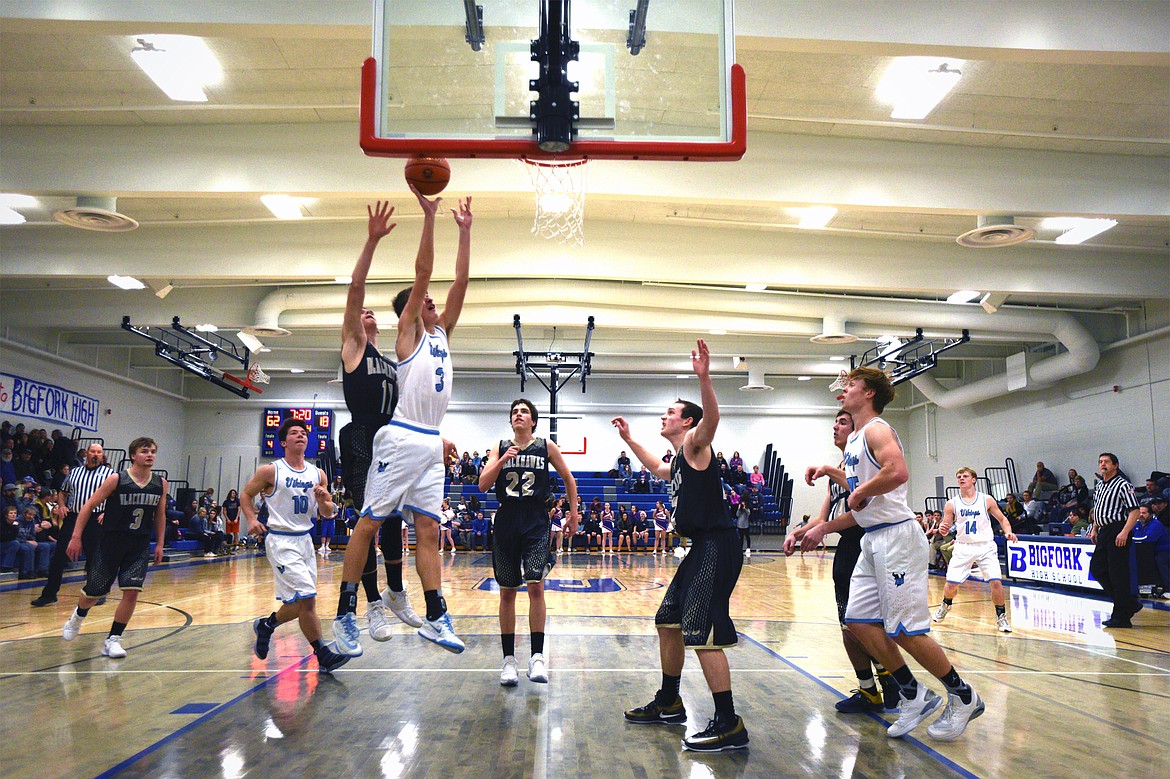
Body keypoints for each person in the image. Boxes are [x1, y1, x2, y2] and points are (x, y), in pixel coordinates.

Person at [802, 367, 983, 741]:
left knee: (902, 629)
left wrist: (856, 491)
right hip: (872, 538)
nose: (844, 390)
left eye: (851, 385)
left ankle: (964, 695)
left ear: (868, 394)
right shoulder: (854, 442)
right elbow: (864, 505)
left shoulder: (876, 429)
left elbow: (897, 471)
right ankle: (914, 694)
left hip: (897, 537)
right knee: (858, 621)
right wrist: (823, 527)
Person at [333, 187, 473, 658]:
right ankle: (346, 611)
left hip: (431, 442)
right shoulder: (409, 333)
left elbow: (459, 283)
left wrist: (466, 232)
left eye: (432, 302)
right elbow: (425, 274)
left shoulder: (442, 335)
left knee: (428, 532)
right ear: (410, 312)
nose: (433, 302)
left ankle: (436, 616)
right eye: (424, 301)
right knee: (369, 524)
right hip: (400, 438)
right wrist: (429, 217)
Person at [613, 339, 748, 753]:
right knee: (667, 619)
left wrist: (704, 378)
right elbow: (655, 466)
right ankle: (670, 701)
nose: (665, 415)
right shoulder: (677, 461)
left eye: (671, 412)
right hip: (700, 548)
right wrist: (629, 440)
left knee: (702, 631)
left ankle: (729, 722)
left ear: (687, 423)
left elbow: (711, 421)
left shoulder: (695, 445)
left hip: (718, 545)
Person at [334, 199, 425, 645]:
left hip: (391, 438)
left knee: (393, 521)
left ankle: (394, 592)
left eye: (373, 312)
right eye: (363, 312)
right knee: (367, 522)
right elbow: (355, 288)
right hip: (361, 437)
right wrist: (371, 241)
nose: (367, 312)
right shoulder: (354, 346)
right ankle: (370, 605)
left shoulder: (390, 360)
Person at [785, 409, 899, 714]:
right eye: (834, 421)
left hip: (864, 543)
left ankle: (892, 683)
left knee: (866, 622)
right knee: (847, 623)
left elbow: (861, 510)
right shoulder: (838, 468)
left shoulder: (862, 464)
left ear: (857, 428)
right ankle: (868, 689)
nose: (835, 426)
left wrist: (825, 526)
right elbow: (825, 515)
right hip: (845, 549)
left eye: (843, 421)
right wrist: (799, 532)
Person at [478, 398, 579, 686]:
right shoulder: (499, 447)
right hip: (507, 520)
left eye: (524, 412)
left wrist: (573, 513)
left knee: (536, 585)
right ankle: (508, 660)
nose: (518, 415)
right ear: (510, 420)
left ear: (533, 420)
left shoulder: (546, 446)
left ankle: (537, 657)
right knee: (507, 593)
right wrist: (501, 460)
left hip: (536, 520)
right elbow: (483, 485)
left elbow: (569, 479)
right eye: (514, 412)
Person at [245, 419, 350, 674]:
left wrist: (325, 500)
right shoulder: (270, 471)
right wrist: (250, 518)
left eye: (303, 433)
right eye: (294, 433)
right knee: (308, 598)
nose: (300, 436)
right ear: (284, 442)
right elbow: (246, 495)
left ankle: (267, 625)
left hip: (305, 540)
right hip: (281, 539)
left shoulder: (318, 474)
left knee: (300, 602)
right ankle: (322, 654)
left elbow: (327, 513)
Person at [61, 438, 167, 658]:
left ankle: (113, 639)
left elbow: (160, 514)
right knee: (93, 593)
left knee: (131, 592)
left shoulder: (161, 483)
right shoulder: (117, 479)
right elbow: (88, 506)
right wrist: (75, 536)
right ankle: (78, 616)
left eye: (153, 452)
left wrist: (160, 543)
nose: (150, 455)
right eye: (144, 451)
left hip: (138, 544)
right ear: (133, 455)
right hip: (111, 542)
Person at [933, 468, 1017, 633]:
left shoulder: (986, 499)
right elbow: (945, 528)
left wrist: (1008, 531)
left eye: (965, 476)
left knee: (996, 582)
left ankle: (1001, 617)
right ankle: (945, 604)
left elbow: (1002, 519)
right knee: (951, 586)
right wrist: (943, 529)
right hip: (963, 547)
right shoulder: (952, 503)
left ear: (973, 480)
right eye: (958, 477)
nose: (961, 478)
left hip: (985, 546)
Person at [31, 443, 115, 607]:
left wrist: (108, 512)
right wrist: (61, 505)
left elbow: (116, 497)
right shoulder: (75, 472)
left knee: (94, 557)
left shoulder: (109, 474)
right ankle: (49, 594)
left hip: (96, 518)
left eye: (99, 452)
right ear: (87, 454)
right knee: (59, 556)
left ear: (102, 455)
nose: (95, 454)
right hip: (74, 516)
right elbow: (63, 493)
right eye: (93, 451)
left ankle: (95, 591)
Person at [1088, 452, 1141, 628]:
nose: (1103, 464)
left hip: (1118, 529)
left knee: (1118, 575)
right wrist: (1095, 528)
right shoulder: (1099, 486)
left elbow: (1135, 511)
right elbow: (1098, 509)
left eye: (1106, 462)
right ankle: (1129, 603)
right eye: (1100, 461)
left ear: (1115, 465)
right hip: (1104, 531)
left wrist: (1125, 531)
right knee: (1097, 569)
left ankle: (1121, 616)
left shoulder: (1123, 485)